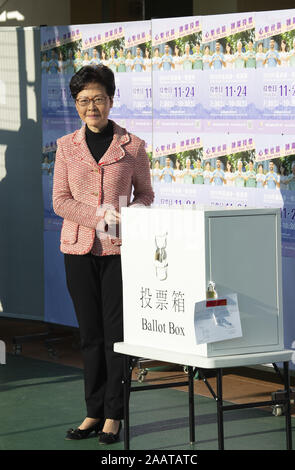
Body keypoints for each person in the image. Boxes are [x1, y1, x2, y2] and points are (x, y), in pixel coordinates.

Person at [52, 65, 154, 444]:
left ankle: (115, 415)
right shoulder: (65, 147)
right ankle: (93, 411)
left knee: (116, 336)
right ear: (76, 104)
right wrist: (97, 214)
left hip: (119, 251)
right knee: (90, 335)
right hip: (77, 249)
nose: (90, 106)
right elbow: (60, 201)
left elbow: (145, 194)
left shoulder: (133, 147)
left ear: (111, 100)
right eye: (83, 101)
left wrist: (128, 216)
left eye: (97, 99)